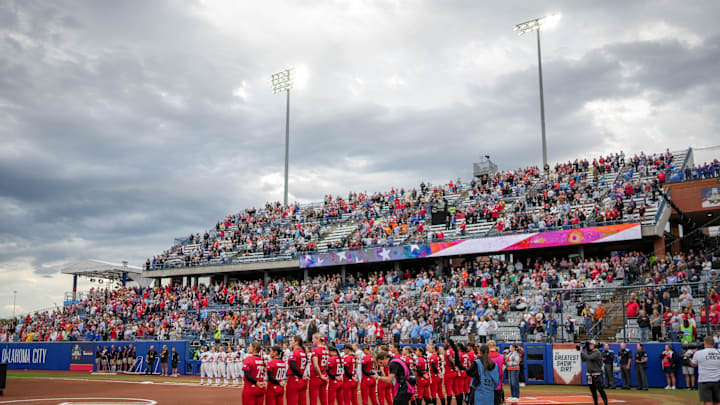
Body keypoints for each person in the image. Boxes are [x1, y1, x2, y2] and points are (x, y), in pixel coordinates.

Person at [692, 336, 720, 405]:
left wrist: (692, 355)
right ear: (714, 344)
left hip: (704, 380)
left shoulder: (699, 353)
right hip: (717, 380)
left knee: (708, 402)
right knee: (718, 401)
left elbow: (693, 364)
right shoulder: (718, 352)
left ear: (705, 343)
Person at [578, 340, 608, 405]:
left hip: (597, 374)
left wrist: (582, 351)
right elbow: (583, 359)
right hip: (589, 375)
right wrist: (582, 352)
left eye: (591, 344)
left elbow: (589, 358)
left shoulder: (597, 352)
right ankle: (595, 403)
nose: (590, 346)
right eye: (589, 345)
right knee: (593, 390)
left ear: (594, 345)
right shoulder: (589, 352)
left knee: (600, 389)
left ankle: (605, 403)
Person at [286, 336, 309, 405]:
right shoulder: (303, 352)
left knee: (291, 402)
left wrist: (301, 375)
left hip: (294, 379)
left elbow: (293, 367)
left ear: (296, 342)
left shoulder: (294, 352)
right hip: (302, 380)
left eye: (292, 340)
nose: (290, 342)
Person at [486, 341, 504, 405]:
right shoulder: (502, 357)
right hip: (498, 382)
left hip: (487, 383)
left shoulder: (484, 357)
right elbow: (502, 369)